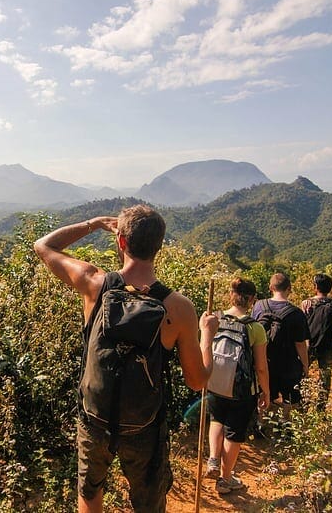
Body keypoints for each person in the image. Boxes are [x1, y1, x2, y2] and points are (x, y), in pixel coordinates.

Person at [34, 204, 219, 513]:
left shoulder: (94, 284)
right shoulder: (179, 309)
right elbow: (198, 380)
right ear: (159, 246)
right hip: (144, 425)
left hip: (95, 418)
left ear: (120, 241)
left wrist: (94, 223)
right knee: (148, 503)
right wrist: (208, 336)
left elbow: (44, 245)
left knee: (90, 494)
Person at [205, 278, 270, 494]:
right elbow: (260, 367)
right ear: (252, 299)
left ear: (231, 295)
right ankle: (225, 480)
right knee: (234, 432)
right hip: (241, 390)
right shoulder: (255, 328)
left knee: (217, 420)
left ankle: (213, 459)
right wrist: (265, 391)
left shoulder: (215, 319)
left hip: (214, 383)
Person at [251, 272, 309, 428]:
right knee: (290, 395)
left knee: (263, 391)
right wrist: (305, 365)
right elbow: (300, 343)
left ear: (271, 288)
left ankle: (260, 423)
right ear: (289, 288)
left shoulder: (258, 306)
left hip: (263, 359)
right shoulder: (296, 313)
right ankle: (285, 423)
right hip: (288, 363)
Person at [301, 273, 332, 411]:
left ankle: (303, 404)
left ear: (315, 287)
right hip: (327, 345)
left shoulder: (307, 303)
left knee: (303, 373)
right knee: (325, 376)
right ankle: (321, 407)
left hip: (309, 343)